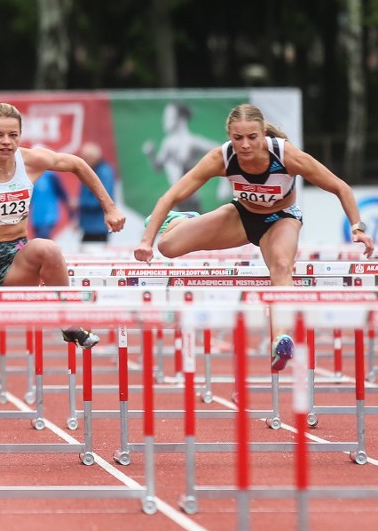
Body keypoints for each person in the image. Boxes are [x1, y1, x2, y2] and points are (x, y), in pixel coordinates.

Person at [0, 102, 126, 470]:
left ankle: (67, 321)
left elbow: (76, 164)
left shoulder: (31, 161)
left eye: (13, 135)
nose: (6, 142)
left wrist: (109, 207)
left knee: (49, 249)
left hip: (16, 258)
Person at [135, 103, 374, 371]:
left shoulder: (286, 156)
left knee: (281, 266)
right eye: (238, 138)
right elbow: (171, 196)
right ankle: (184, 220)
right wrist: (147, 241)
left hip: (280, 219)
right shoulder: (221, 158)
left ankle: (280, 339)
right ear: (229, 136)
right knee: (167, 246)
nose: (245, 145)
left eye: (252, 137)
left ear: (263, 134)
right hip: (241, 216)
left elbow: (340, 187)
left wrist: (357, 227)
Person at [142, 102, 221, 212]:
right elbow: (158, 167)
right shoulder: (167, 143)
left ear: (181, 118)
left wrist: (224, 182)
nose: (165, 120)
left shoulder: (193, 142)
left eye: (169, 116)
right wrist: (151, 155)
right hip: (175, 199)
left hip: (190, 199)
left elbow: (222, 151)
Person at [77, 142, 116, 242]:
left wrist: (80, 203)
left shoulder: (104, 173)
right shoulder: (91, 171)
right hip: (90, 226)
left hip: (98, 227)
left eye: (86, 158)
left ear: (94, 157)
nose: (83, 160)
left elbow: (103, 199)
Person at [29, 169, 72, 239]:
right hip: (36, 217)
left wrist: (71, 215)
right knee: (37, 240)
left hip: (49, 215)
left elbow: (63, 195)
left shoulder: (51, 176)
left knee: (43, 239)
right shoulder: (32, 176)